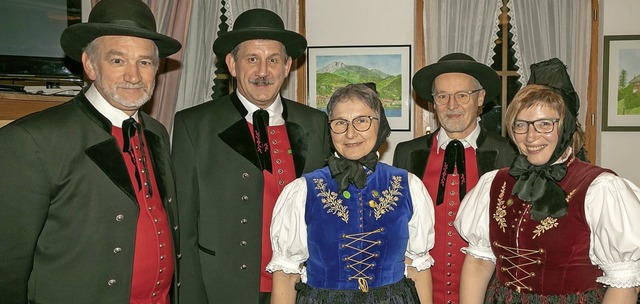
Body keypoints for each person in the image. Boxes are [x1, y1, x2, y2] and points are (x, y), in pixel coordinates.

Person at [0, 0, 182, 303]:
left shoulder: (156, 132)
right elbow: (7, 268)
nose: (134, 76)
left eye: (145, 62)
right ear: (89, 64)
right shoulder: (30, 140)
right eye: (118, 60)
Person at [171, 8, 331, 304]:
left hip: (302, 285)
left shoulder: (315, 123)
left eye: (273, 60)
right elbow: (184, 227)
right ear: (232, 64)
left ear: (287, 66)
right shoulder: (194, 125)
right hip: (223, 286)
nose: (262, 71)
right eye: (252, 59)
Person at [455, 82, 640, 303]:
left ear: (565, 127)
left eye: (544, 124)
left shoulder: (601, 189)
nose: (531, 137)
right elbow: (479, 262)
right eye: (521, 125)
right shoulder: (494, 183)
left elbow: (625, 282)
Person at [267, 83, 435, 304]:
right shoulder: (302, 191)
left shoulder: (409, 186)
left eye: (362, 121)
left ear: (380, 124)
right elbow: (287, 276)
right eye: (340, 123)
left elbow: (418, 269)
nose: (350, 133)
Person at [393, 52, 517, 303]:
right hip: (421, 293)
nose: (452, 106)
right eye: (442, 96)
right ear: (433, 101)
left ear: (480, 98)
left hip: (486, 295)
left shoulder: (507, 153)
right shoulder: (407, 153)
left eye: (462, 95)